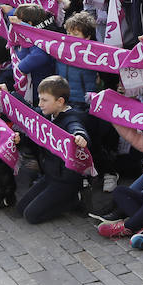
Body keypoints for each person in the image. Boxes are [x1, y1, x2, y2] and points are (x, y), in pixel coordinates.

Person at [15, 76, 90, 224]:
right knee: (21, 208)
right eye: (39, 99)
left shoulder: (71, 118)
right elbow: (31, 116)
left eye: (44, 100)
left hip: (66, 180)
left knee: (31, 216)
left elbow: (76, 128)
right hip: (50, 175)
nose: (40, 104)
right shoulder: (49, 115)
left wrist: (80, 137)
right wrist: (20, 139)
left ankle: (73, 200)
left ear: (60, 101)